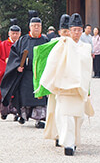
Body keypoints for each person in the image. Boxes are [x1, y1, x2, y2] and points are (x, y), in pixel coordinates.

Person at [39, 13, 94, 155]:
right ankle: (67, 144)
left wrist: (87, 87)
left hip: (79, 88)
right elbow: (52, 63)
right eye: (73, 30)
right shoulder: (62, 44)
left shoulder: (86, 47)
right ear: (69, 31)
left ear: (82, 31)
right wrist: (44, 83)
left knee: (78, 117)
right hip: (64, 87)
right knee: (65, 116)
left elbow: (88, 69)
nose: (76, 33)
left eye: (79, 30)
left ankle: (73, 140)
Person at [0, 11, 49, 128]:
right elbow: (14, 54)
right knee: (25, 96)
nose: (36, 28)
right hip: (26, 74)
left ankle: (39, 119)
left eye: (38, 26)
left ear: (41, 27)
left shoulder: (45, 41)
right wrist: (18, 66)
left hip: (40, 74)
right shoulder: (23, 40)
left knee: (40, 98)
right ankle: (23, 115)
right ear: (29, 27)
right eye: (34, 26)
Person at [0, 20, 22, 120]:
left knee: (17, 92)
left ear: (20, 34)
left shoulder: (21, 44)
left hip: (17, 72)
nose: (15, 35)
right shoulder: (3, 45)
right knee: (5, 91)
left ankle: (17, 112)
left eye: (17, 33)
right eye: (13, 33)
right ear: (9, 33)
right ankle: (4, 112)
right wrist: (6, 64)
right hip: (6, 72)